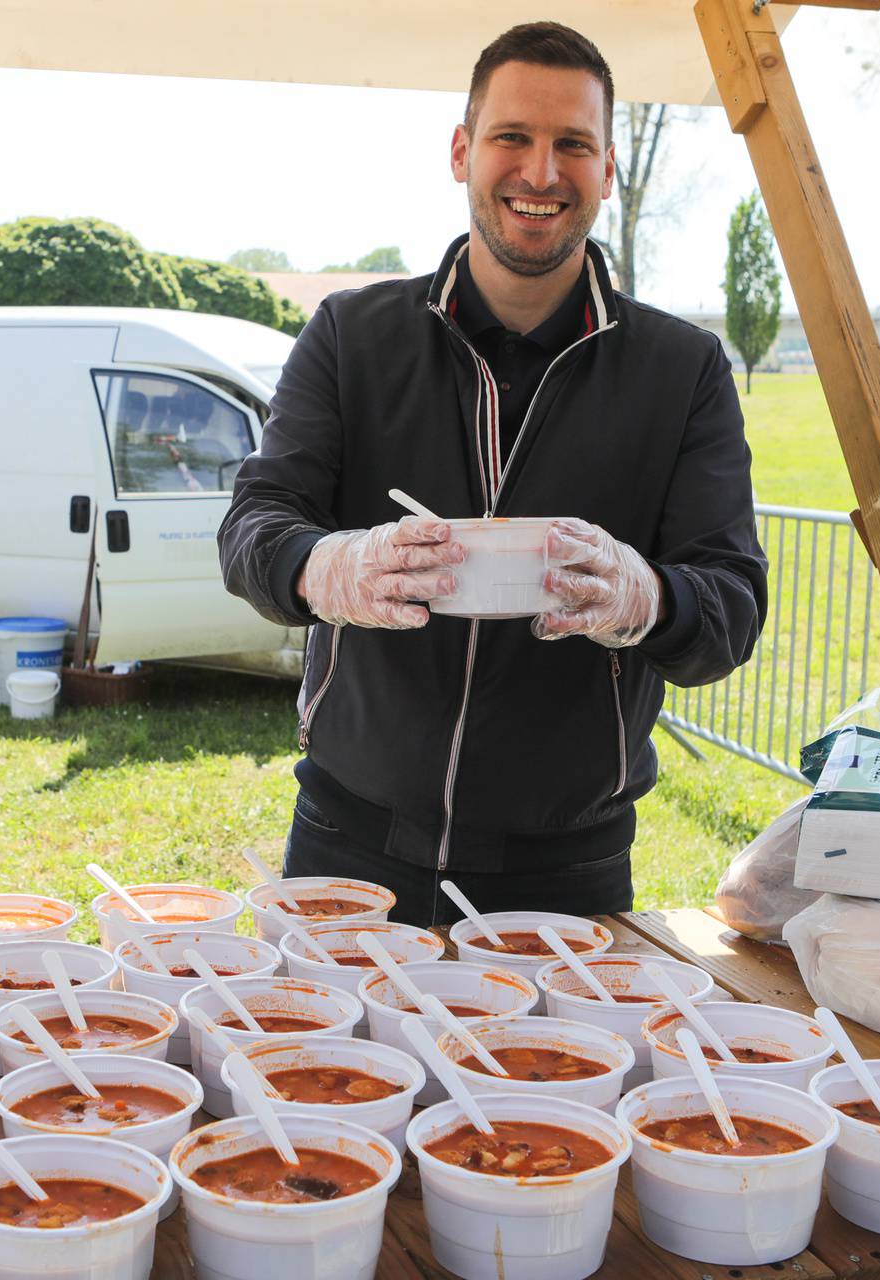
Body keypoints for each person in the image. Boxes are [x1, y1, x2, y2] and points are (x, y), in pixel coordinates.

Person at [218, 22, 768, 928]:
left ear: (609, 167)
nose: (542, 172)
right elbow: (253, 526)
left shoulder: (682, 369)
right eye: (513, 137)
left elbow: (732, 602)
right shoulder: (352, 338)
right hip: (346, 840)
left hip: (569, 870)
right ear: (463, 151)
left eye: (574, 145)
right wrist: (328, 568)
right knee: (317, 1070)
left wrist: (649, 598)